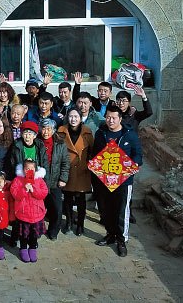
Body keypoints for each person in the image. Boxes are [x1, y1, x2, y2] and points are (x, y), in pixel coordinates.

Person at [93, 104, 143, 257]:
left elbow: (138, 155)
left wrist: (134, 165)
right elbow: (95, 154)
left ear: (120, 119)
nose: (110, 120)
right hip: (104, 180)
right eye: (108, 117)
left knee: (121, 211)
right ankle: (110, 234)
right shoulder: (100, 133)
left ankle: (122, 240)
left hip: (123, 181)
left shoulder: (129, 134)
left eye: (114, 118)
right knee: (105, 210)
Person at [56, 108, 95, 235]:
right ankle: (68, 222)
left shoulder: (87, 132)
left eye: (76, 116)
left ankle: (80, 224)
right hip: (67, 170)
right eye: (71, 116)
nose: (73, 119)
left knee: (80, 199)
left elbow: (92, 151)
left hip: (82, 170)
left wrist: (88, 165)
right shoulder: (61, 131)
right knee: (67, 198)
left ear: (80, 118)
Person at [10, 158, 48, 263]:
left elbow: (43, 193)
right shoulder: (18, 180)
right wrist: (24, 189)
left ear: (35, 170)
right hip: (23, 214)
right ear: (23, 169)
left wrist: (33, 189)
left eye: (32, 169)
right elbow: (15, 194)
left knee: (34, 234)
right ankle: (23, 249)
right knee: (23, 234)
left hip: (36, 214)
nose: (29, 171)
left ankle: (32, 249)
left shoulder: (39, 180)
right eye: (27, 168)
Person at [39, 118, 69, 240]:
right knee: (39, 208)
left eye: (49, 129)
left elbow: (65, 163)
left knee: (57, 209)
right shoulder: (37, 142)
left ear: (53, 130)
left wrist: (63, 179)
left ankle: (53, 231)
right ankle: (38, 230)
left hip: (55, 181)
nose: (46, 132)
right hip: (40, 182)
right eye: (44, 128)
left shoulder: (60, 144)